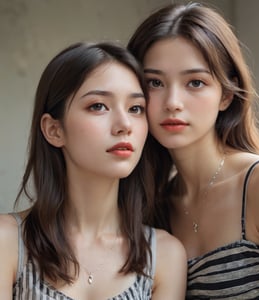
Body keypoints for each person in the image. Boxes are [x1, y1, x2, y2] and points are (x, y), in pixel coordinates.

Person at [128, 2, 259, 299]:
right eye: (155, 82)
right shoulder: (152, 204)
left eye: (195, 82)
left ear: (226, 95)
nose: (172, 102)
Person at [0, 42, 187, 299]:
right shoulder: (7, 242)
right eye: (98, 106)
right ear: (54, 130)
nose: (124, 125)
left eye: (135, 109)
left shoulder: (164, 255)